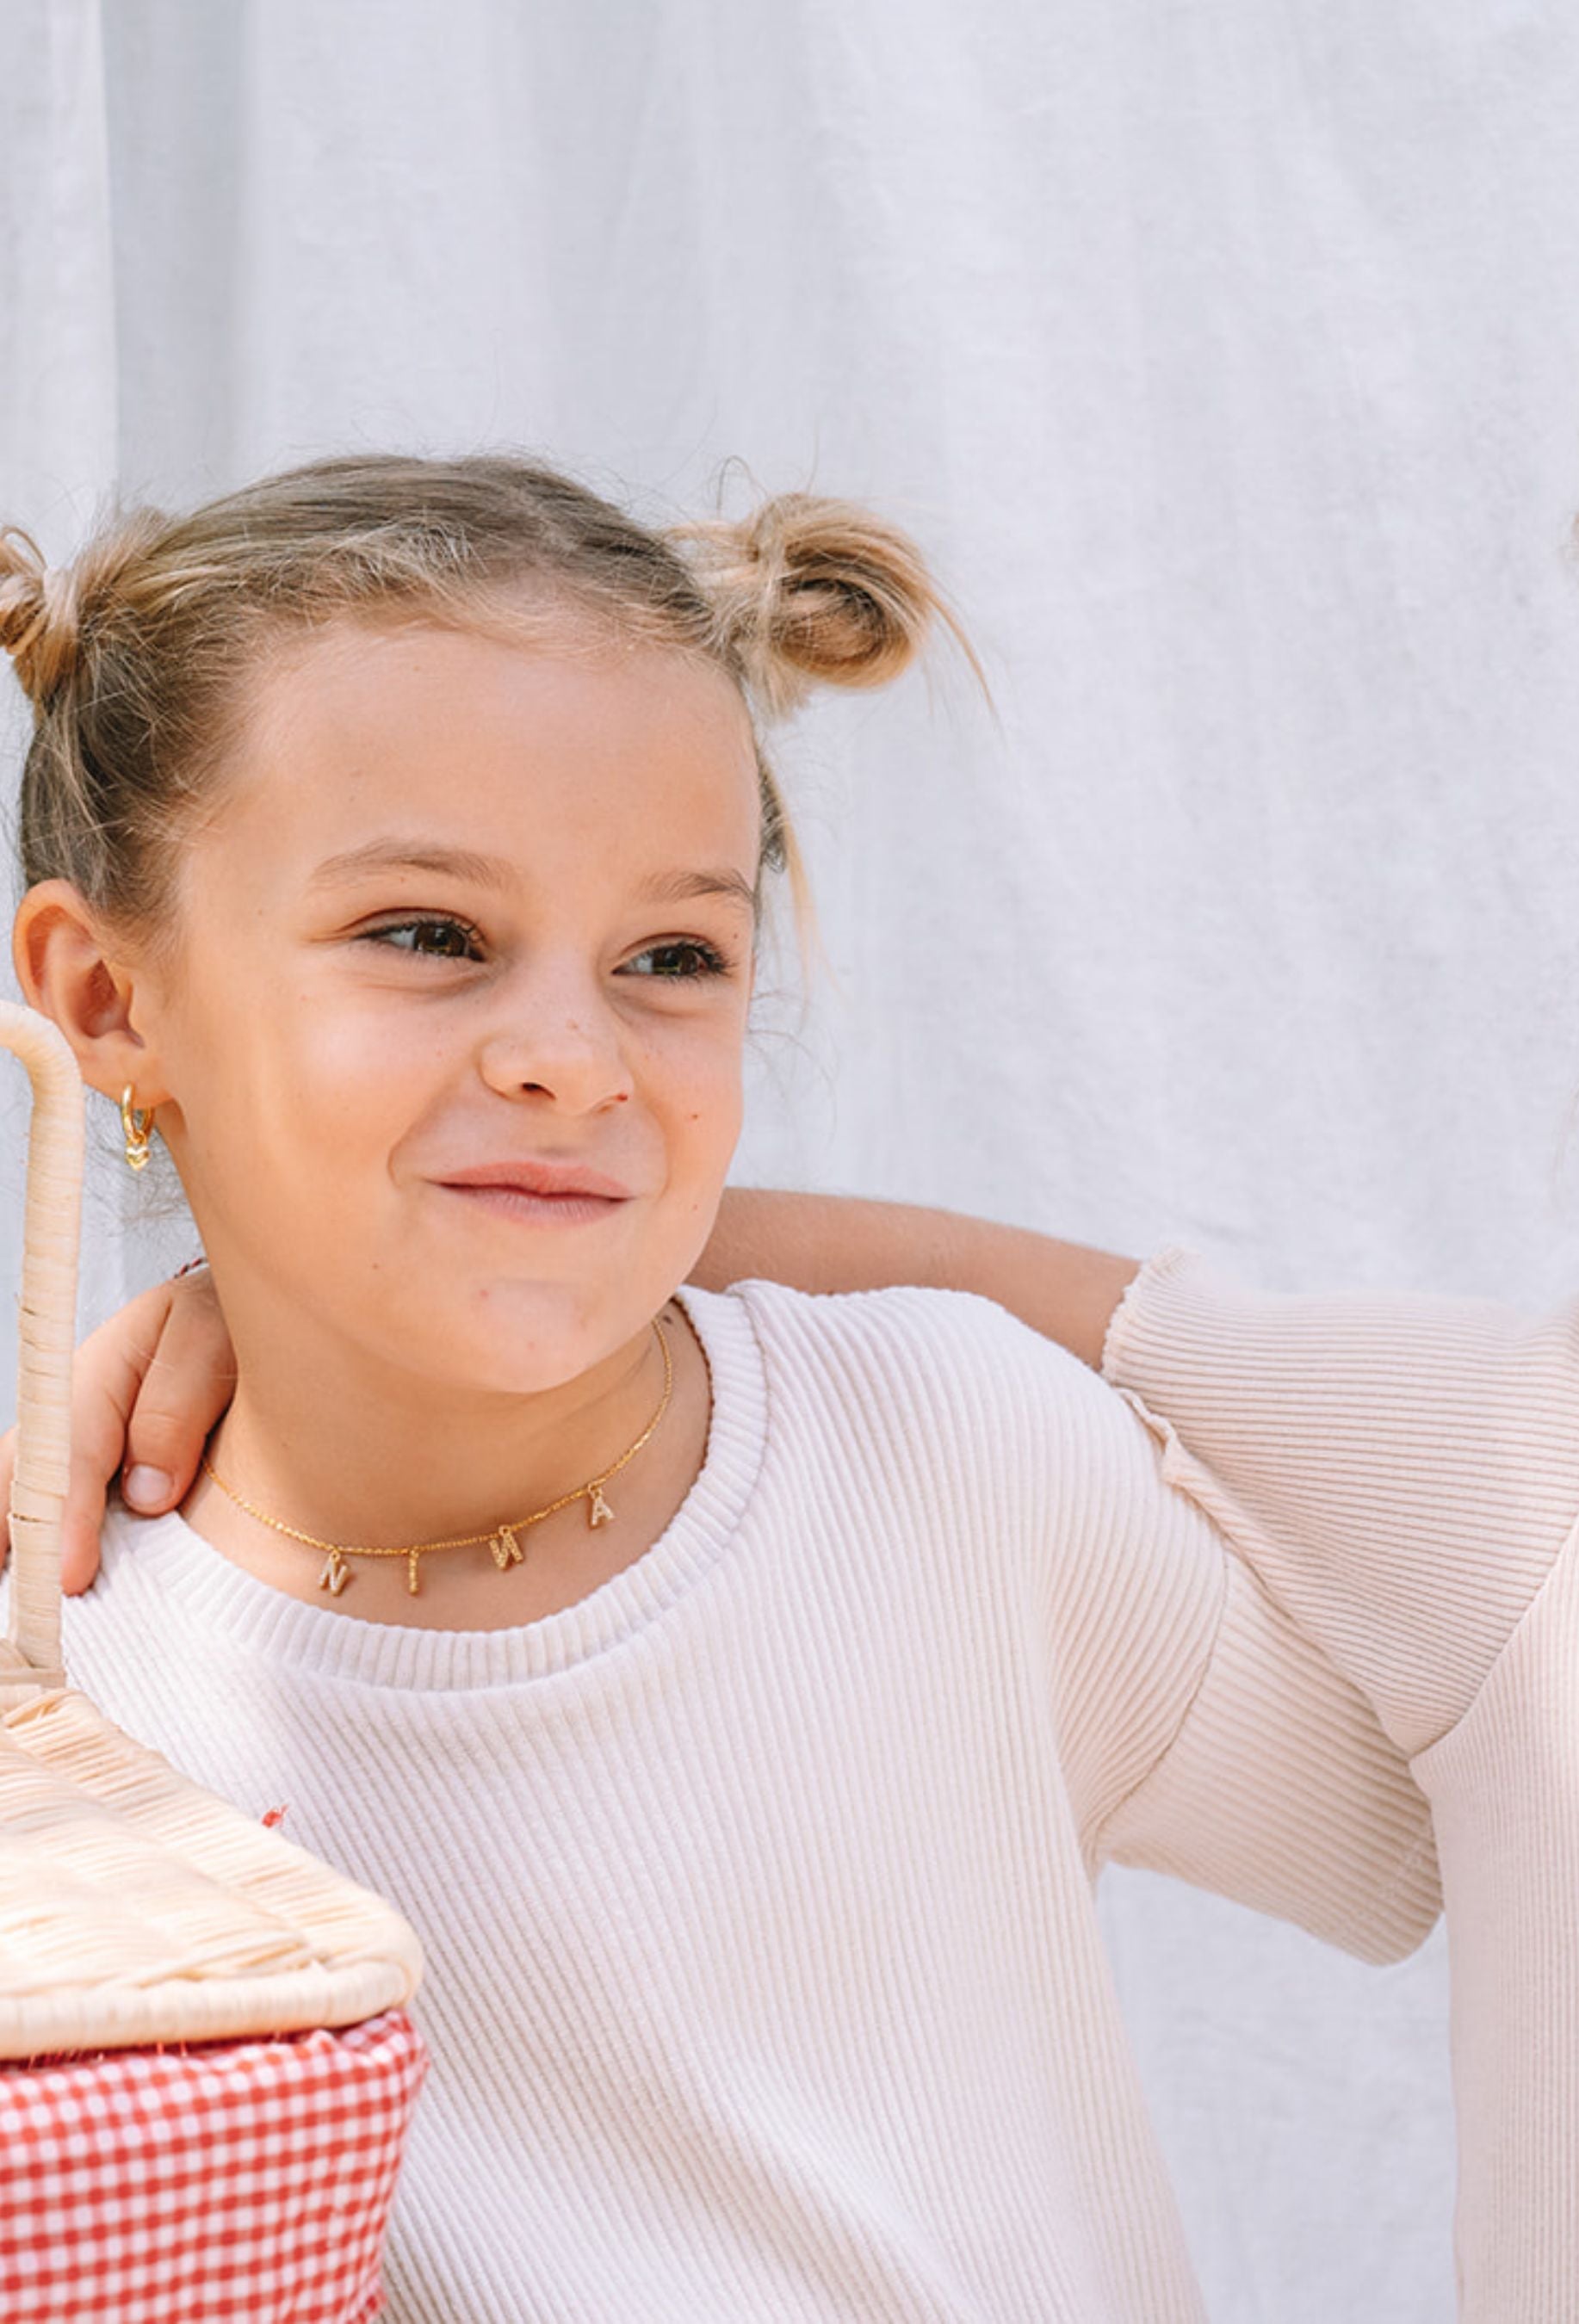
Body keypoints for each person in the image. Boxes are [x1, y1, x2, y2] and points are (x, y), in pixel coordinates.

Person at [37, 410, 1579, 2316]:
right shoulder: (1560, 1493)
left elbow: (1092, 1404)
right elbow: (1100, 1304)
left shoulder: (1011, 1472)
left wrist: (395, 1246)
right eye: (425, 937)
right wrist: (321, 1265)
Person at [0, 459, 1436, 2323]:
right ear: (104, 1002)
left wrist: (729, 1234)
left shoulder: (954, 1460)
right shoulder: (65, 1678)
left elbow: (1505, 1756)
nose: (570, 1061)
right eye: (429, 934)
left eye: (671, 958)